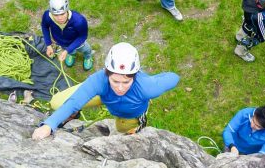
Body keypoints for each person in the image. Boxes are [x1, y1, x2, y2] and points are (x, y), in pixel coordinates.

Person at [32, 42, 180, 140]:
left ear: (135, 76)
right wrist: (49, 125)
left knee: (122, 130)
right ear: (106, 73)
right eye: (115, 81)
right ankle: (73, 114)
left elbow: (173, 78)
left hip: (129, 114)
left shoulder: (147, 87)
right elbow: (74, 101)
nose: (120, 87)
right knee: (57, 102)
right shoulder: (99, 80)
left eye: (126, 82)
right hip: (104, 96)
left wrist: (150, 80)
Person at [41, 0, 93, 71]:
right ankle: (71, 54)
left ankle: (88, 57)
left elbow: (82, 36)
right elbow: (45, 26)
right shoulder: (47, 16)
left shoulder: (79, 21)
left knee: (86, 49)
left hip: (78, 42)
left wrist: (66, 51)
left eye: (62, 14)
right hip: (62, 42)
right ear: (51, 12)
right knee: (71, 51)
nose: (60, 18)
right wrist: (48, 45)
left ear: (67, 10)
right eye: (56, 15)